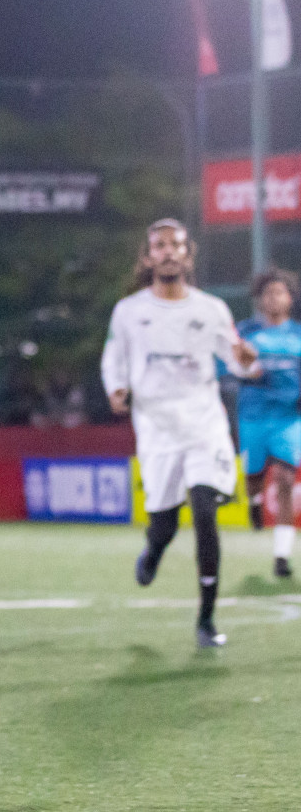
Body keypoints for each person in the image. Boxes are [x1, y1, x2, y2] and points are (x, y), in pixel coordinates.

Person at [101, 219, 256, 648]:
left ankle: (206, 619)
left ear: (188, 255)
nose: (168, 251)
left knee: (205, 511)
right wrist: (116, 389)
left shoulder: (211, 309)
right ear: (148, 257)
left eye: (176, 245)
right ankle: (153, 551)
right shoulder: (130, 311)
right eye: (159, 245)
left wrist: (247, 360)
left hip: (203, 424)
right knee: (164, 524)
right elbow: (113, 359)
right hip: (156, 428)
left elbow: (239, 361)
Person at [235, 267, 301, 577]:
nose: (274, 298)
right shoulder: (245, 333)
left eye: (279, 292)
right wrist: (248, 368)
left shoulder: (298, 334)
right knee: (254, 476)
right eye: (268, 293)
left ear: (290, 298)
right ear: (260, 300)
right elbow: (231, 368)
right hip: (253, 417)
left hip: (289, 418)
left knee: (287, 481)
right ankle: (255, 501)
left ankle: (281, 557)